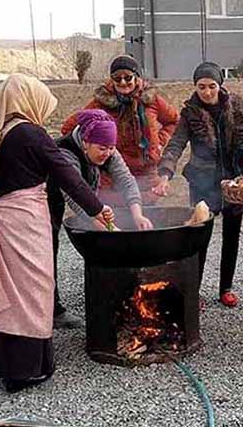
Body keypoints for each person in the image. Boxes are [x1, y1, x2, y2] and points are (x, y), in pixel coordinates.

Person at [0, 75, 114, 393]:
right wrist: (98, 210)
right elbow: (68, 175)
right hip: (21, 224)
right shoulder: (30, 133)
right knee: (29, 292)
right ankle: (24, 371)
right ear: (28, 100)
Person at [153, 62, 243, 308]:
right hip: (202, 183)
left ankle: (226, 288)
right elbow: (175, 144)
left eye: (211, 86)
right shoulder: (189, 112)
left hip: (234, 181)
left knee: (231, 237)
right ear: (195, 87)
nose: (207, 92)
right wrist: (164, 174)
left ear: (219, 85)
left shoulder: (236, 107)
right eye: (201, 87)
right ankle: (195, 290)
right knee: (199, 238)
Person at [48, 109, 154, 327]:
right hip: (44, 200)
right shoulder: (65, 152)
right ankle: (52, 311)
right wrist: (95, 219)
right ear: (86, 142)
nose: (108, 152)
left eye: (112, 148)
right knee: (47, 252)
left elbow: (126, 180)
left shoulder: (107, 149)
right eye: (102, 148)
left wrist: (138, 214)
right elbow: (73, 192)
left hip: (82, 199)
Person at [61, 55, 178, 205]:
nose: (123, 82)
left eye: (128, 77)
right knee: (118, 216)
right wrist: (92, 152)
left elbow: (173, 121)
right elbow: (69, 128)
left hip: (147, 172)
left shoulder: (151, 100)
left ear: (136, 78)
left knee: (147, 218)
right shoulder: (100, 104)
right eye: (117, 78)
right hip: (113, 173)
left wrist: (159, 141)